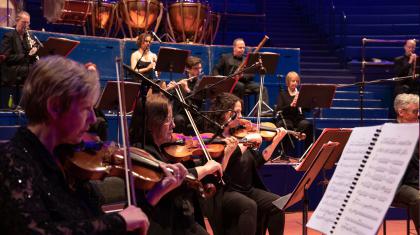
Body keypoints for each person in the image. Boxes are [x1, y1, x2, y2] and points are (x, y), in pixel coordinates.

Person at [0, 55, 155, 234]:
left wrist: (151, 197)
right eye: (85, 108)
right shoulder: (12, 161)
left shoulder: (67, 161)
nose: (93, 119)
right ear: (55, 107)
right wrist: (118, 221)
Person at [129, 92, 238, 235]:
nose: (174, 125)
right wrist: (204, 169)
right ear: (153, 123)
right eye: (168, 120)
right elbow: (172, 182)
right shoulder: (143, 152)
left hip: (183, 221)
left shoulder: (163, 149)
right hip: (164, 226)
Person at [204, 92, 287, 235]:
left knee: (277, 203)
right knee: (249, 205)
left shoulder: (239, 135)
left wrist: (275, 142)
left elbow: (258, 161)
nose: (241, 116)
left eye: (241, 111)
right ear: (225, 114)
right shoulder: (214, 139)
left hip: (247, 189)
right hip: (227, 191)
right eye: (237, 112)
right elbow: (219, 173)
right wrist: (246, 142)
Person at [212, 38, 269, 106]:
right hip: (230, 82)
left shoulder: (246, 59)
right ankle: (239, 110)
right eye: (240, 48)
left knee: (262, 88)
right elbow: (215, 68)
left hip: (245, 82)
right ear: (234, 48)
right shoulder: (225, 57)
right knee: (240, 86)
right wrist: (218, 77)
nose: (242, 50)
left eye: (243, 48)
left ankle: (263, 111)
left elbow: (251, 74)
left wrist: (242, 76)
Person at [392, 93, 419, 234]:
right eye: (415, 111)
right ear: (401, 112)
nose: (418, 115)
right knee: (418, 198)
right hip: (398, 185)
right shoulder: (390, 133)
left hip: (415, 181)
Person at [0, 11, 39, 109]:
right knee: (31, 71)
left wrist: (34, 50)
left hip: (23, 68)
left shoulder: (28, 37)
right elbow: (6, 57)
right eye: (23, 22)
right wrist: (25, 56)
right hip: (11, 70)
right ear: (17, 21)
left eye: (27, 23)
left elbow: (30, 57)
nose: (26, 25)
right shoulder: (9, 36)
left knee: (37, 70)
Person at [273, 71, 312, 157]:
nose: (295, 83)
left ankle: (308, 153)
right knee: (286, 125)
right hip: (287, 118)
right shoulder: (283, 94)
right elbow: (279, 109)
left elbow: (308, 109)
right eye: (293, 81)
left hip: (298, 119)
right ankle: (284, 153)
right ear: (288, 82)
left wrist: (304, 103)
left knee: (308, 125)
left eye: (296, 81)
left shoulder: (301, 94)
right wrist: (291, 105)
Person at [171, 56, 206, 135]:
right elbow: (171, 99)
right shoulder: (179, 81)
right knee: (178, 119)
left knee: (204, 119)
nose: (199, 71)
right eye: (196, 68)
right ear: (187, 69)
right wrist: (169, 89)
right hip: (182, 113)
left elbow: (198, 100)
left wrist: (187, 90)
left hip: (195, 112)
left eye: (200, 68)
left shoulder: (201, 83)